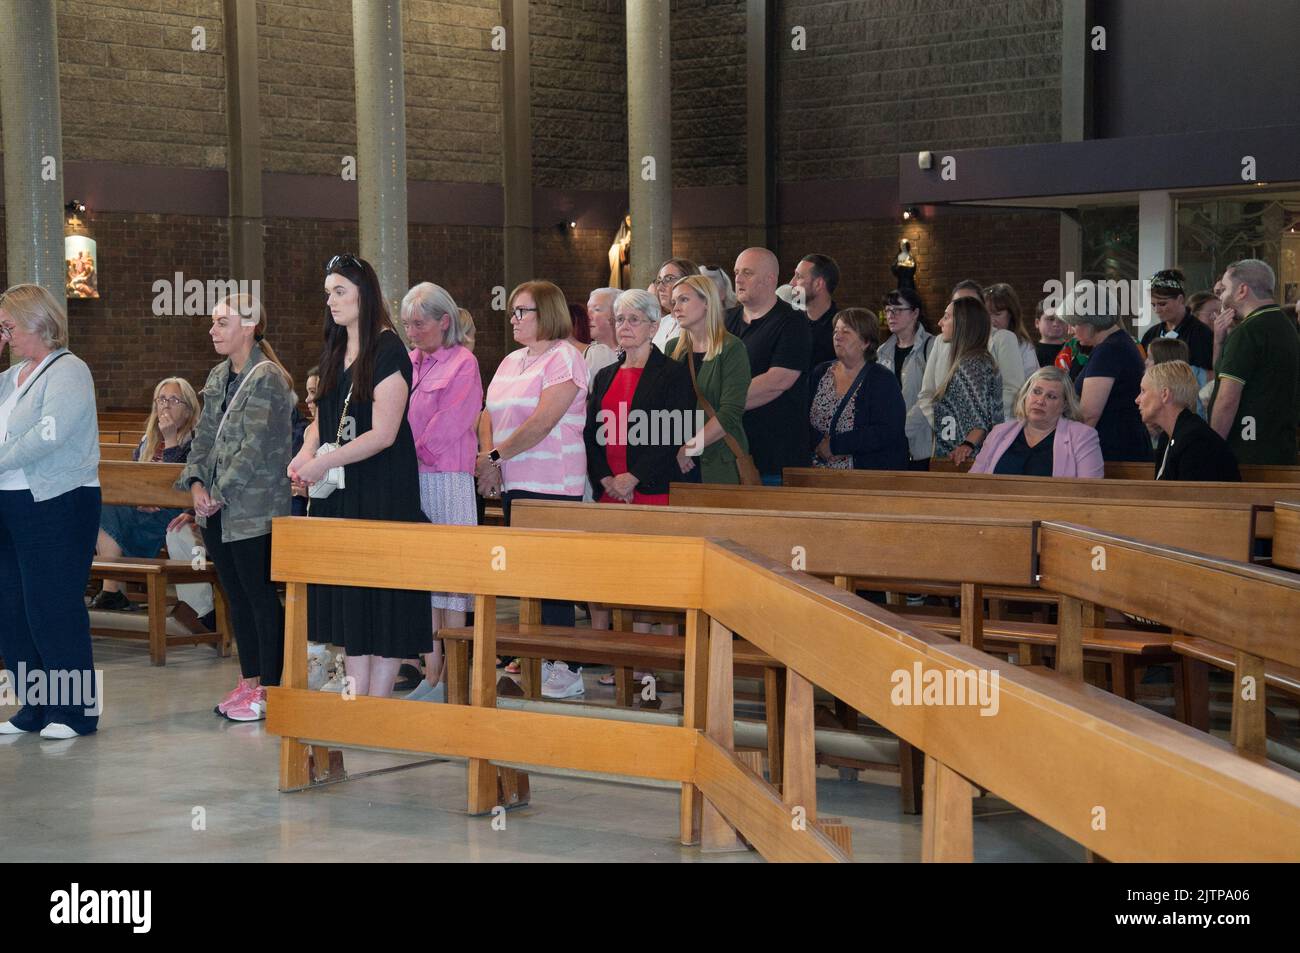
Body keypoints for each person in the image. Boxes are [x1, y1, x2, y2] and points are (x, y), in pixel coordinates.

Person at [288, 254, 432, 700]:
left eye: (340, 292)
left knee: (382, 596)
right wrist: (305, 453)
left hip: (381, 487)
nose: (330, 301)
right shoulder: (334, 348)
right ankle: (355, 701)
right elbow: (321, 419)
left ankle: (377, 704)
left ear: (364, 295)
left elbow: (384, 434)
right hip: (340, 490)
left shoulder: (389, 351)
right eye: (328, 293)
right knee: (351, 595)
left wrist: (323, 464)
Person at [178, 293, 295, 721]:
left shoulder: (268, 378)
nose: (212, 330)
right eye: (212, 323)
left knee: (259, 596)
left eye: (222, 323)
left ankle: (273, 687)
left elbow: (255, 446)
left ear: (248, 327)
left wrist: (217, 493)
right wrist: (195, 484)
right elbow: (203, 438)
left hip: (255, 507)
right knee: (236, 598)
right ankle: (249, 680)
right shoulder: (218, 375)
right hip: (217, 509)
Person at [478, 280, 588, 699]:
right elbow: (489, 412)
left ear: (547, 314)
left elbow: (543, 422)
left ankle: (568, 667)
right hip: (515, 480)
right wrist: (491, 458)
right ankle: (542, 658)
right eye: (512, 311)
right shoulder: (510, 361)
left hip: (553, 481)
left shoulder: (566, 359)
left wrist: (493, 460)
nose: (513, 318)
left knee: (554, 575)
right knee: (531, 576)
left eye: (522, 311)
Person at [0, 285, 102, 739]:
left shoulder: (69, 370)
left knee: (52, 606)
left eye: (9, 326)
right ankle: (35, 707)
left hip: (58, 501)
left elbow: (50, 433)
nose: (5, 335)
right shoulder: (11, 377)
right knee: (12, 606)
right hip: (10, 502)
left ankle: (76, 712)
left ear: (38, 322)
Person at [401, 282, 483, 703]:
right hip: (412, 478)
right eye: (407, 325)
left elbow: (454, 420)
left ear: (443, 322)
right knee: (425, 579)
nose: (411, 332)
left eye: (419, 324)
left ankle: (451, 677)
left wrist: (413, 452)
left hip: (445, 476)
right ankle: (430, 674)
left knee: (450, 580)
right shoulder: (409, 363)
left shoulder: (463, 363)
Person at [91, 377, 201, 610]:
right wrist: (138, 500)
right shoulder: (148, 440)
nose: (166, 405)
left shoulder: (197, 442)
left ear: (189, 408)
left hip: (175, 515)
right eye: (161, 399)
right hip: (142, 511)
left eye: (174, 400)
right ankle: (111, 590)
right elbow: (133, 479)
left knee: (113, 514)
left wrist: (171, 439)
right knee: (101, 505)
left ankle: (111, 591)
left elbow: (178, 487)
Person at [585, 288, 694, 503]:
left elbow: (673, 434)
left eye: (634, 320)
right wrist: (606, 478)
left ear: (653, 327)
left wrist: (633, 477)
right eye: (620, 320)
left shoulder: (673, 373)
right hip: (609, 489)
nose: (624, 326)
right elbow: (590, 433)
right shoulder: (604, 376)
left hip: (652, 488)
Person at [725, 247, 812, 483]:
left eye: (747, 273)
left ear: (770, 278)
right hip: (727, 452)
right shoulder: (725, 320)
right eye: (736, 273)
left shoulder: (793, 321)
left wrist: (721, 405)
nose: (739, 279)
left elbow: (778, 381)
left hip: (774, 455)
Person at [1209, 259, 1300, 466]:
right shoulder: (1286, 327)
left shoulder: (1248, 332)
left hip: (1246, 452)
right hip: (1280, 448)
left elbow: (1227, 399)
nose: (1222, 297)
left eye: (1224, 289)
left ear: (1242, 290)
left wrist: (1212, 448)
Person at [666, 275, 753, 484]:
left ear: (706, 302)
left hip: (718, 459)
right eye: (674, 302)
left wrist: (690, 448)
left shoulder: (732, 348)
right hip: (678, 459)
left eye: (684, 300)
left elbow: (730, 413)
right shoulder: (673, 349)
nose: (676, 308)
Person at [807, 308, 907, 470]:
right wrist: (818, 442)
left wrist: (836, 445)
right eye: (835, 331)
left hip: (864, 478)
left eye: (846, 332)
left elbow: (888, 430)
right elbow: (800, 416)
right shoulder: (820, 373)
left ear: (865, 342)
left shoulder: (881, 379)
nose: (837, 337)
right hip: (817, 473)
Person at [918, 280, 1026, 425]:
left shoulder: (1002, 339)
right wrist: (945, 424)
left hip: (989, 431)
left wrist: (973, 421)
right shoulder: (941, 341)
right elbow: (927, 394)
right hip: (946, 434)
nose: (965, 310)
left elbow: (1013, 391)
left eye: (971, 304)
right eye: (959, 305)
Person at [972, 367, 1103, 477]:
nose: (1040, 401)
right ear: (1025, 395)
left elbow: (1089, 492)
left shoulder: (1082, 436)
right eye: (1036, 392)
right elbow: (973, 482)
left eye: (1051, 396)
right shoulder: (999, 432)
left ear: (1064, 405)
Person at [1138, 360, 1240, 482]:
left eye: (1143, 391)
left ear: (1165, 394)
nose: (1137, 399)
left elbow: (1190, 497)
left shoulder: (1196, 442)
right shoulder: (1167, 436)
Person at [1070, 308, 1151, 462]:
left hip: (1114, 449)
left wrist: (1071, 450)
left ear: (1090, 323)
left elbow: (1089, 414)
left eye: (1074, 324)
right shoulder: (1118, 343)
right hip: (1121, 443)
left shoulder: (1109, 350)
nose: (1071, 330)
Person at [932, 296, 1003, 464]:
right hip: (967, 458)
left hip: (965, 461)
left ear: (963, 323)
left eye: (947, 316)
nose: (940, 322)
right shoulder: (976, 360)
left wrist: (966, 445)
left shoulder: (971, 365)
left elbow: (979, 420)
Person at [877, 288, 937, 470]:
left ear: (915, 313)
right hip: (889, 445)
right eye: (887, 310)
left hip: (921, 444)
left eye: (897, 310)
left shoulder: (932, 346)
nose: (890, 315)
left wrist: (900, 428)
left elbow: (931, 396)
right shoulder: (882, 352)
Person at [1140, 269, 1215, 382]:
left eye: (1162, 304)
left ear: (1180, 299)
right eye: (1153, 305)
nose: (1157, 310)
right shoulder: (1151, 334)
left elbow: (1207, 377)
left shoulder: (1200, 333)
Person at [790, 254, 840, 369]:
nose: (792, 283)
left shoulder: (841, 329)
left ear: (818, 284)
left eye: (799, 277)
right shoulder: (791, 322)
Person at [984, 283, 1038, 378]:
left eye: (997, 314)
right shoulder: (977, 343)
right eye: (986, 314)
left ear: (1012, 315)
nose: (991, 320)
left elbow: (1032, 381)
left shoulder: (1024, 347)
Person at [650, 257, 700, 352]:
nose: (660, 288)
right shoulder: (662, 323)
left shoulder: (696, 326)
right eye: (659, 281)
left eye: (668, 279)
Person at [584, 287, 620, 385]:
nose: (588, 316)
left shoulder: (633, 353)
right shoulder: (585, 353)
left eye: (597, 309)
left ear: (617, 314)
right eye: (588, 309)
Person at [1034, 299, 1071, 368]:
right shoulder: (1029, 352)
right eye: (1050, 319)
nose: (1056, 324)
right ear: (1037, 323)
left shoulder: (1075, 351)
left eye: (1061, 319)